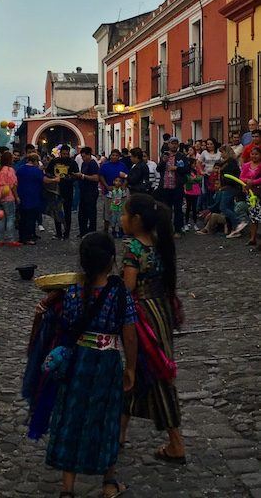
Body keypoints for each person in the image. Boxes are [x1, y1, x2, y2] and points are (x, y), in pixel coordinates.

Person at [32, 232, 137, 498]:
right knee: (107, 418)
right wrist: (131, 367)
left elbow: (65, 323)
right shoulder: (119, 291)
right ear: (112, 260)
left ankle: (67, 488)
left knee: (71, 417)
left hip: (78, 359)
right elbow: (129, 333)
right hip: (107, 361)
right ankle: (109, 483)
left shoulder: (74, 291)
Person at [120, 194, 185, 464]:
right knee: (137, 372)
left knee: (156, 373)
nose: (121, 219)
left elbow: (128, 289)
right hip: (161, 311)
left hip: (142, 317)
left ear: (136, 220)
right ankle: (119, 434)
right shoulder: (160, 244)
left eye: (124, 214)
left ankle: (176, 443)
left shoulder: (133, 248)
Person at [16, 153, 58, 245]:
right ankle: (28, 237)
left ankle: (22, 237)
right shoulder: (36, 171)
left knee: (23, 218)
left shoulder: (20, 169)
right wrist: (55, 180)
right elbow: (45, 180)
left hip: (22, 195)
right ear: (35, 161)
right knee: (31, 218)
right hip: (33, 196)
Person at [156, 137, 189, 238]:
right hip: (165, 186)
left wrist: (177, 168)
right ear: (168, 144)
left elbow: (186, 169)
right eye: (172, 143)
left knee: (178, 209)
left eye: (176, 143)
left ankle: (178, 229)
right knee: (166, 209)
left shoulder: (181, 156)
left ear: (178, 145)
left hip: (177, 186)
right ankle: (167, 229)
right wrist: (163, 161)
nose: (174, 145)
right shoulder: (164, 155)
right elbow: (158, 169)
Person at [45, 144, 79, 240]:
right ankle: (59, 232)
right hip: (57, 190)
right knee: (57, 212)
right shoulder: (54, 161)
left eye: (67, 154)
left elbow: (76, 175)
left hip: (68, 190)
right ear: (60, 153)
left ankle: (67, 233)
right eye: (63, 154)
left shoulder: (72, 163)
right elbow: (47, 172)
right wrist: (53, 178)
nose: (65, 155)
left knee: (68, 212)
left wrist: (70, 177)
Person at [218, 144, 246, 238]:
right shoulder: (226, 162)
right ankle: (235, 229)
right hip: (228, 187)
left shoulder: (231, 162)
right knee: (230, 207)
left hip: (230, 187)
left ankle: (238, 222)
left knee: (223, 207)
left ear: (226, 152)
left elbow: (232, 176)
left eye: (222, 152)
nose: (221, 154)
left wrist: (224, 182)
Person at [0, 151, 21, 247]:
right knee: (10, 217)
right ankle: (11, 239)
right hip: (7, 194)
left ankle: (0, 239)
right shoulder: (10, 170)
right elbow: (13, 185)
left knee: (1, 218)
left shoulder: (0, 169)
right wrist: (16, 197)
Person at [99, 150, 129, 233]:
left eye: (116, 155)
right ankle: (106, 228)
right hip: (109, 191)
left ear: (119, 157)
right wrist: (106, 186)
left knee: (121, 210)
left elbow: (127, 177)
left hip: (121, 193)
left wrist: (124, 185)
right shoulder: (105, 165)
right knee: (108, 211)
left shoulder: (122, 165)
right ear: (110, 156)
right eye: (113, 155)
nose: (114, 157)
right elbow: (101, 176)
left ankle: (121, 228)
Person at [75, 147, 100, 238]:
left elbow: (96, 178)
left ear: (89, 155)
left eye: (84, 156)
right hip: (84, 191)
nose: (83, 158)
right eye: (82, 156)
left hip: (91, 192)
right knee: (82, 213)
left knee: (91, 213)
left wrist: (83, 176)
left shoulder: (93, 164)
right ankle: (83, 231)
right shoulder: (84, 163)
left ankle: (92, 231)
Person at [240, 146, 261, 248]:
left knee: (259, 216)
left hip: (259, 193)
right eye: (252, 154)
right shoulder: (246, 165)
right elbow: (241, 177)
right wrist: (247, 181)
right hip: (250, 194)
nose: (254, 156)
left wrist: (253, 181)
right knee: (253, 216)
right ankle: (252, 238)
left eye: (256, 154)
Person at [200, 138, 221, 207]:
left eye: (211, 144)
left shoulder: (219, 152)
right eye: (208, 144)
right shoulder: (204, 153)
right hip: (207, 175)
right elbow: (198, 162)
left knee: (217, 192)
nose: (209, 146)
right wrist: (201, 171)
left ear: (214, 144)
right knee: (208, 193)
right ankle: (208, 209)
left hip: (217, 176)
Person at [183, 158, 202, 231]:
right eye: (194, 163)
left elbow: (199, 179)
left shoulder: (195, 171)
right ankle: (186, 223)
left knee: (194, 208)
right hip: (189, 191)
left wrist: (195, 179)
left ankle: (195, 223)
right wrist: (195, 179)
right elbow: (189, 179)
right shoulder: (187, 172)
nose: (195, 165)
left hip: (196, 191)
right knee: (188, 207)